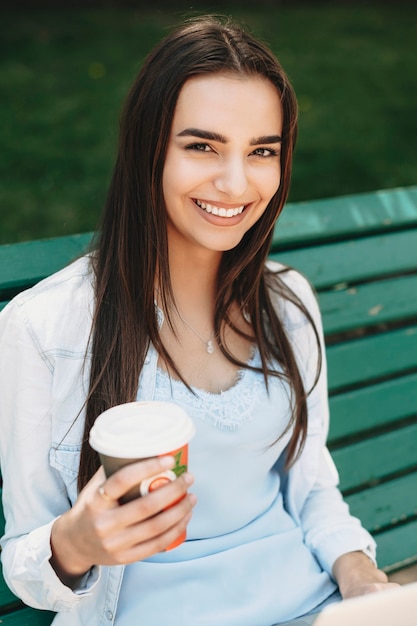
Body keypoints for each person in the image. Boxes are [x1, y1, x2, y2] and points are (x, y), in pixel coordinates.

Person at [0, 15, 398, 626]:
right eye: (202, 145)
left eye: (262, 151)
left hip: (315, 608)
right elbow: (26, 564)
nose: (236, 182)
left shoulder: (287, 304)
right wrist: (77, 542)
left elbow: (313, 487)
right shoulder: (47, 327)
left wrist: (366, 582)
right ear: (148, 149)